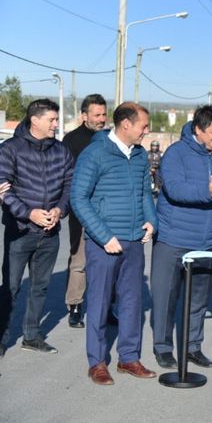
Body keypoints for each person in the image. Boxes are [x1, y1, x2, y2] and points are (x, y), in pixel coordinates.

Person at [151, 105, 212, 370]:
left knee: (198, 301)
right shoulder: (176, 154)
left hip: (206, 243)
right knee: (165, 298)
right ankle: (163, 348)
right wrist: (208, 193)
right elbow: (175, 189)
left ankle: (193, 347)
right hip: (173, 239)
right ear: (198, 129)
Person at [71, 102, 157, 385]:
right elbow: (78, 198)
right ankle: (97, 362)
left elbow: (145, 193)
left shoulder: (140, 155)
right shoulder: (94, 154)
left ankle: (129, 358)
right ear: (126, 124)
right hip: (104, 243)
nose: (146, 131)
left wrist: (151, 220)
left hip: (134, 241)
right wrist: (103, 236)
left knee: (132, 302)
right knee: (98, 302)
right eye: (143, 126)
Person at [0, 99, 74, 356]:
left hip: (50, 233)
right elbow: (3, 189)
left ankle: (31, 336)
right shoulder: (10, 149)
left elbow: (70, 184)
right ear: (35, 120)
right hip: (20, 232)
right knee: (10, 287)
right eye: (52, 119)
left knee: (40, 287)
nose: (56, 124)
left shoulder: (61, 150)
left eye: (56, 119)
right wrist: (28, 213)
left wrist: (59, 210)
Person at [61, 93, 108, 328]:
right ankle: (75, 306)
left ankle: (107, 307)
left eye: (104, 114)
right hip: (81, 211)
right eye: (96, 115)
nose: (101, 119)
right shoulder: (71, 141)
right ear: (84, 116)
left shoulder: (110, 139)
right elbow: (65, 177)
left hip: (108, 211)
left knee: (108, 262)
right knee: (79, 261)